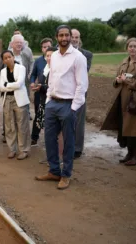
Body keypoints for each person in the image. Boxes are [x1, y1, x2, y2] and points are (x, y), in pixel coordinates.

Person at [35, 25, 88, 190]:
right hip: (53, 103)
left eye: (67, 35)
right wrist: (49, 98)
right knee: (49, 139)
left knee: (68, 142)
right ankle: (54, 171)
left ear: (71, 37)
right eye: (61, 35)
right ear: (56, 37)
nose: (65, 38)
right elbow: (52, 79)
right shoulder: (55, 56)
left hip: (68, 105)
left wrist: (73, 108)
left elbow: (82, 85)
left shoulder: (78, 57)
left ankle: (66, 175)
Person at [101, 38, 136, 166]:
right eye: (130, 46)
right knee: (126, 128)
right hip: (123, 100)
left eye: (135, 46)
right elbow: (116, 81)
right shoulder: (124, 62)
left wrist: (126, 80)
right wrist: (117, 80)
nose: (132, 49)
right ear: (127, 48)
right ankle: (129, 154)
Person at [32, 47, 64, 164]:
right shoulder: (45, 69)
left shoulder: (58, 70)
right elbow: (44, 85)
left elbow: (55, 87)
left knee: (58, 132)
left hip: (54, 103)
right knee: (48, 132)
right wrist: (38, 87)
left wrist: (41, 87)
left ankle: (59, 157)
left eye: (52, 55)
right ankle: (51, 156)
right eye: (47, 55)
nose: (49, 57)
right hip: (44, 102)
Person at [0, 50, 31, 159]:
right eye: (5, 58)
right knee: (9, 126)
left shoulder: (21, 68)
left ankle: (24, 150)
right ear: (3, 60)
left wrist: (7, 84)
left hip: (20, 100)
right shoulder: (3, 71)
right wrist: (10, 85)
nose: (8, 59)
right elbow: (1, 87)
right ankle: (12, 149)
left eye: (9, 57)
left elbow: (19, 84)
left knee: (22, 125)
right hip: (7, 99)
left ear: (13, 57)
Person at [71, 29, 94, 159]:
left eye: (77, 37)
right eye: (73, 37)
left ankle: (77, 148)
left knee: (79, 121)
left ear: (80, 39)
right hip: (66, 91)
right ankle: (66, 146)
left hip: (79, 91)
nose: (75, 39)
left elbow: (82, 73)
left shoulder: (87, 55)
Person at [30, 38, 53, 146]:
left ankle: (50, 140)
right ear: (42, 49)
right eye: (44, 47)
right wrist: (31, 82)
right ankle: (34, 137)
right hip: (39, 93)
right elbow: (33, 74)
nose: (46, 49)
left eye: (48, 46)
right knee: (38, 115)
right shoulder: (38, 61)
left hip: (51, 94)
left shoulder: (57, 61)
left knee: (50, 117)